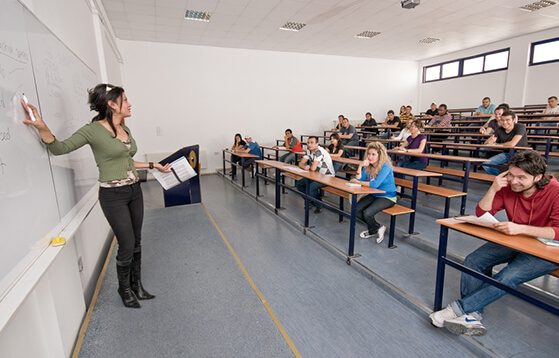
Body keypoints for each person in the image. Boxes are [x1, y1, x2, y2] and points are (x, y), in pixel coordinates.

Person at [21, 84, 171, 308]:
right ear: (111, 104)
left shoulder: (124, 128)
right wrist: (42, 127)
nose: (130, 103)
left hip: (134, 190)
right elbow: (60, 148)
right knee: (127, 243)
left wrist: (153, 165)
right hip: (113, 195)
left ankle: (136, 284)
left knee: (137, 240)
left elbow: (126, 160)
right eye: (125, 100)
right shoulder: (92, 131)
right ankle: (125, 289)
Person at [430, 150, 559, 336]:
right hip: (516, 238)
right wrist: (493, 188)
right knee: (473, 260)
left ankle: (458, 310)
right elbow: (482, 214)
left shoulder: (555, 190)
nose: (514, 181)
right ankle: (472, 314)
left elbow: (557, 232)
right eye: (511, 175)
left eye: (521, 178)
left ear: (538, 177)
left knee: (509, 276)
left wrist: (521, 228)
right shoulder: (508, 186)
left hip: (547, 248)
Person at [351, 142, 397, 244]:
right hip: (375, 194)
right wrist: (360, 165)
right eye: (369, 154)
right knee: (355, 209)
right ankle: (377, 227)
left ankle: (373, 229)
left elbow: (375, 184)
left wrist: (358, 182)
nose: (370, 157)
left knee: (367, 213)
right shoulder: (369, 166)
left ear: (380, 155)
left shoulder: (386, 166)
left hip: (388, 196)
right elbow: (360, 178)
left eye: (373, 154)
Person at [295, 136, 335, 214]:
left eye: (312, 143)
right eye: (308, 143)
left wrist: (307, 167)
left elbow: (313, 168)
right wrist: (304, 166)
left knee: (311, 187)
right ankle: (310, 201)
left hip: (327, 176)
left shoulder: (319, 151)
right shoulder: (309, 151)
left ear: (317, 144)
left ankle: (318, 204)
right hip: (316, 175)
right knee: (299, 184)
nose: (309, 144)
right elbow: (301, 163)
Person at [482, 111, 528, 176]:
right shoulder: (499, 129)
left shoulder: (520, 127)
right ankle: (505, 177)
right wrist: (489, 142)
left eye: (507, 120)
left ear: (514, 120)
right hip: (507, 153)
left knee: (516, 169)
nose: (504, 122)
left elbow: (512, 144)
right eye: (502, 120)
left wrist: (496, 145)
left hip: (522, 154)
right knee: (486, 164)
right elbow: (486, 143)